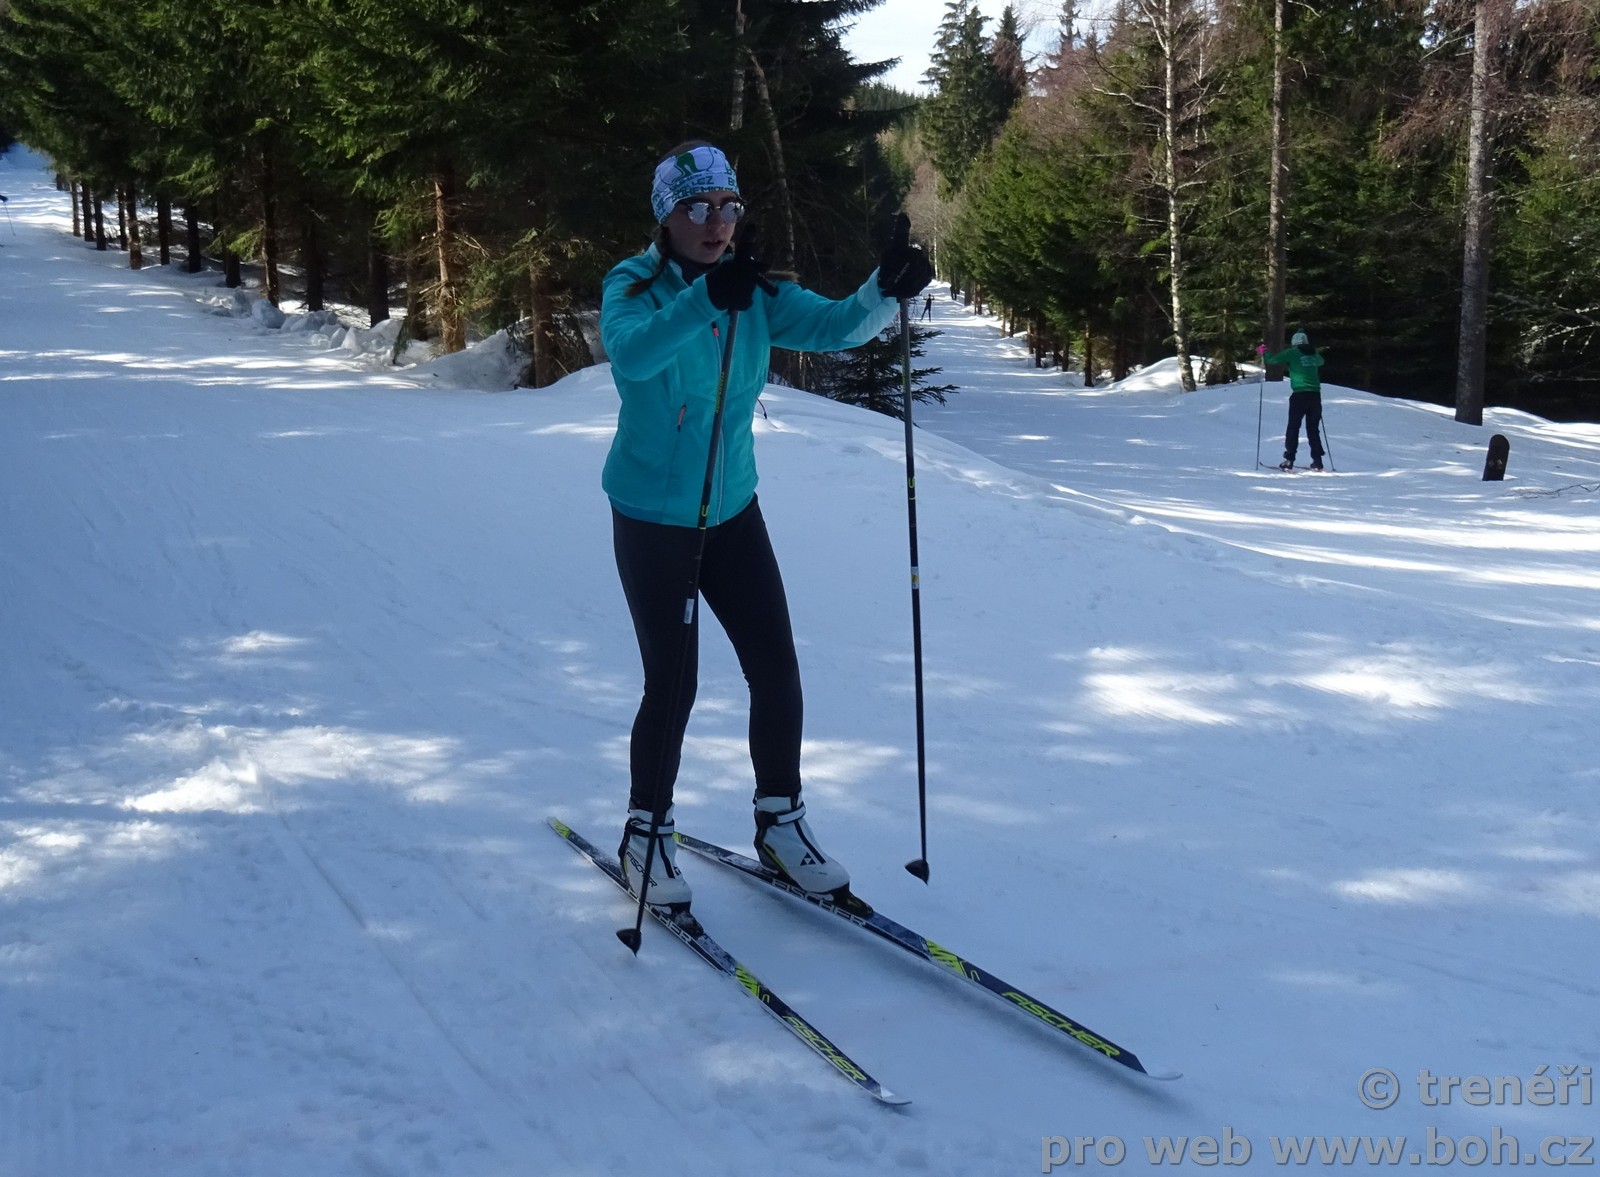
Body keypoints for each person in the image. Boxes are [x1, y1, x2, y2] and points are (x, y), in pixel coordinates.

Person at [601, 141, 934, 909]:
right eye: (697, 206)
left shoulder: (751, 287)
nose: (715, 221)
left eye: (728, 206)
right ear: (667, 216)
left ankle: (780, 822)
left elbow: (836, 326)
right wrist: (704, 300)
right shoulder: (634, 284)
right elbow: (633, 354)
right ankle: (645, 834)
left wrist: (883, 288)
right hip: (655, 517)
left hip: (732, 509)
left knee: (776, 667)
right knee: (674, 681)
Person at [1261, 330, 1326, 471]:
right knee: (1313, 429)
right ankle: (1318, 461)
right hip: (1315, 395)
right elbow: (1321, 361)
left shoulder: (1292, 352)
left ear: (1294, 342)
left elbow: (1272, 360)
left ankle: (1289, 459)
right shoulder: (1313, 354)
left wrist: (1264, 352)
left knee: (1293, 427)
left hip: (1299, 394)